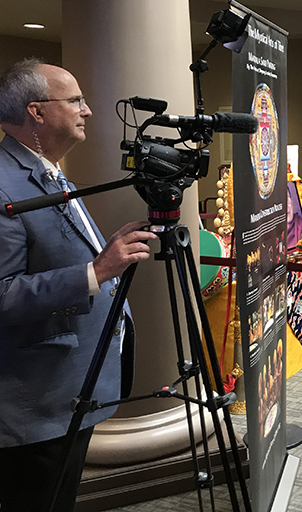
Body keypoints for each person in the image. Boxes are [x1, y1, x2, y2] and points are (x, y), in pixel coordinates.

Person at [0, 58, 157, 511]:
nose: (87, 110)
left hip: (70, 389)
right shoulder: (4, 184)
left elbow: (49, 252)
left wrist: (101, 253)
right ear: (37, 112)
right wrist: (96, 272)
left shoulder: (46, 167)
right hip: (35, 401)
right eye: (75, 100)